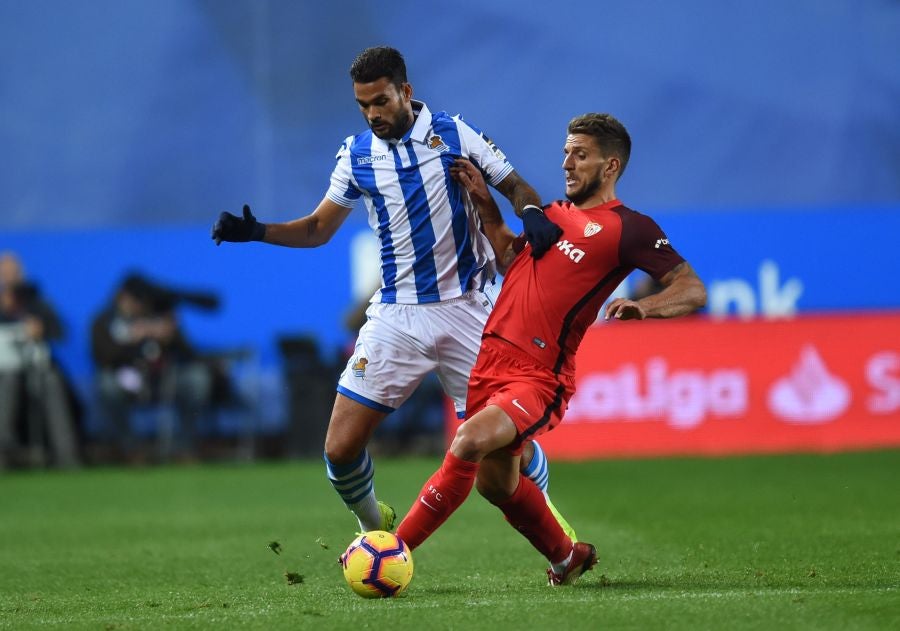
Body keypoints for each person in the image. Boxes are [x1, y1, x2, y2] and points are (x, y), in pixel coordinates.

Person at [211, 46, 574, 537]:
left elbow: (518, 188)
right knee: (338, 449)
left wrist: (530, 214)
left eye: (381, 101)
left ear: (406, 91)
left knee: (509, 450)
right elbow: (319, 228)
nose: (372, 114)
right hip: (396, 317)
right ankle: (372, 525)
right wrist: (258, 233)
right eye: (363, 105)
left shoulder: (454, 134)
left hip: (469, 311)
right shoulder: (357, 155)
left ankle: (552, 524)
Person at [395, 113, 708, 586]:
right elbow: (508, 260)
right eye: (565, 152)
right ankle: (568, 557)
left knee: (470, 442)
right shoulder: (553, 216)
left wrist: (646, 308)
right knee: (496, 484)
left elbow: (692, 288)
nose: (567, 162)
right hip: (489, 364)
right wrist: (485, 204)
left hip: (538, 376)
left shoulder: (630, 228)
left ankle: (390, 551)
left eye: (580, 154)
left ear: (610, 166)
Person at [90, 274, 214, 463]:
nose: (138, 305)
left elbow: (188, 353)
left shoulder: (157, 314)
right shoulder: (104, 321)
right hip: (127, 379)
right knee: (106, 384)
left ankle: (185, 447)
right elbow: (102, 358)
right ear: (121, 296)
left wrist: (169, 336)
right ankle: (131, 449)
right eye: (134, 300)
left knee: (196, 378)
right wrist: (131, 339)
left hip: (162, 378)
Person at [0, 252, 81, 469]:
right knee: (7, 383)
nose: (9, 279)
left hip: (35, 368)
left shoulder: (36, 302)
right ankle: (3, 454)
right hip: (4, 373)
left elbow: (59, 332)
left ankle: (67, 456)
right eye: (4, 273)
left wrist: (41, 329)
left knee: (52, 381)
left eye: (14, 273)